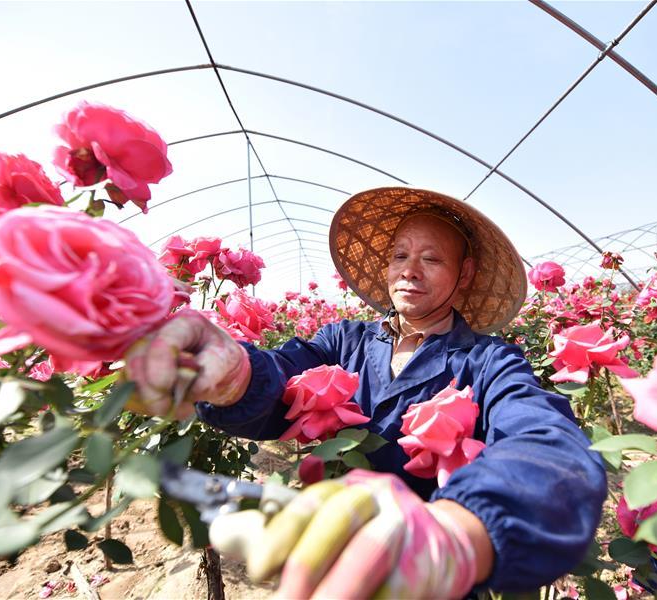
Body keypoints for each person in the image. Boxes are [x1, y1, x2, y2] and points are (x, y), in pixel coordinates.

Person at [125, 187, 607, 597]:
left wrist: (459, 535)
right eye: (400, 255)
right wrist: (237, 376)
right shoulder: (342, 341)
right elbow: (279, 377)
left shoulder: (487, 361)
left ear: (464, 277)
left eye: (431, 259)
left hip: (427, 584)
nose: (409, 270)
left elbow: (548, 448)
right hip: (331, 559)